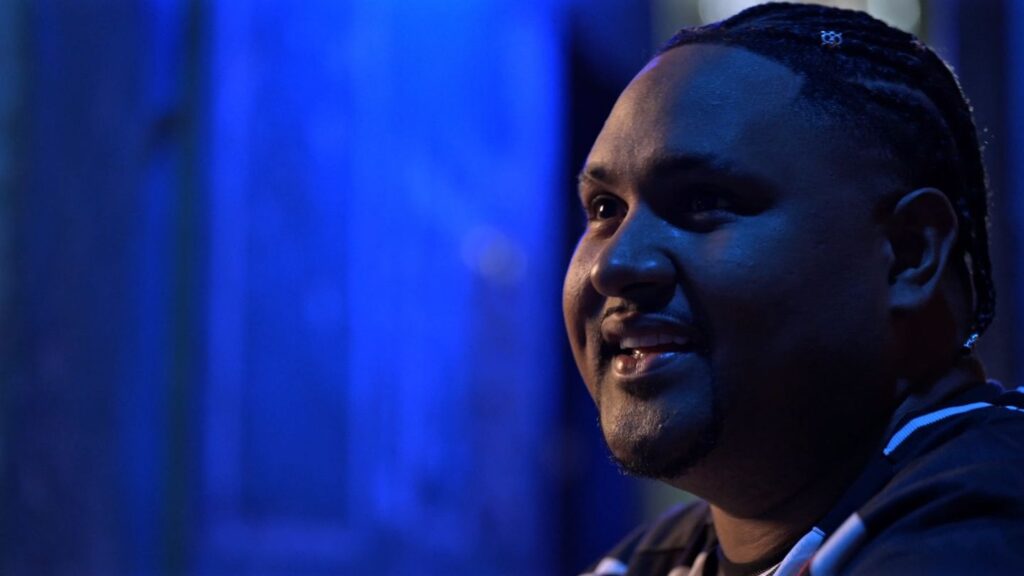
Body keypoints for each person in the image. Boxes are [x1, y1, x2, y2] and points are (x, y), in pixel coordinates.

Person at [562, 3, 1024, 575]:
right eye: (605, 209)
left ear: (909, 254)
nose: (614, 265)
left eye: (704, 200)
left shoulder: (987, 525)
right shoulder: (649, 561)